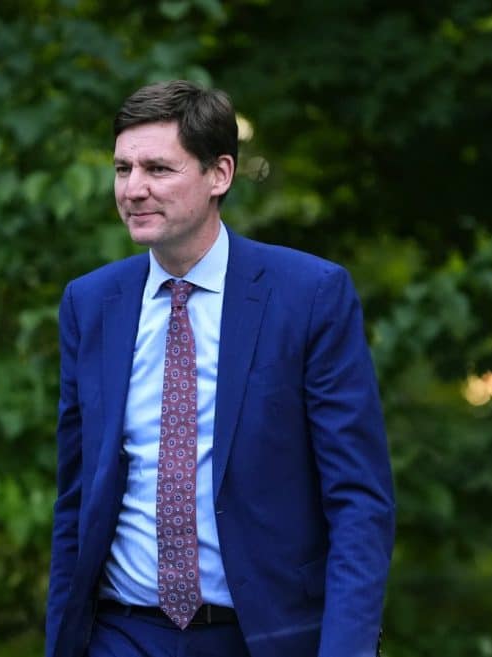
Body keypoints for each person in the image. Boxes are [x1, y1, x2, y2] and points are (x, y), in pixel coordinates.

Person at [45, 80, 395, 657]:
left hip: (262, 637)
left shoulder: (309, 296)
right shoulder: (91, 304)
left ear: (220, 174)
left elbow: (359, 501)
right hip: (121, 633)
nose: (133, 189)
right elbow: (76, 499)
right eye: (122, 168)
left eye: (158, 168)